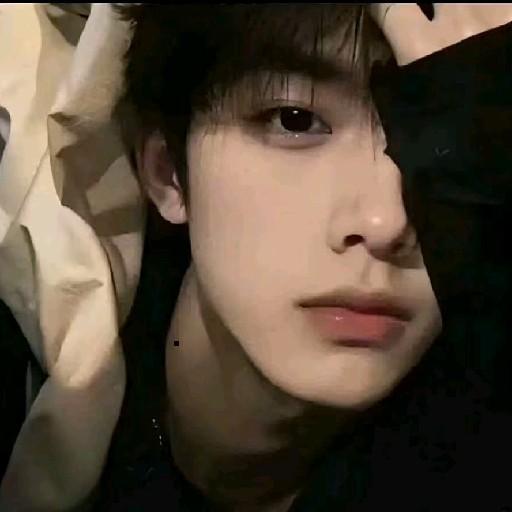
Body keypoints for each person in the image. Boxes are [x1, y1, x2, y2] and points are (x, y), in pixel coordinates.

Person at [95, 4, 512, 511]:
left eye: (460, 138)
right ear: (168, 173)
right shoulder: (43, 354)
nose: (384, 223)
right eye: (295, 120)